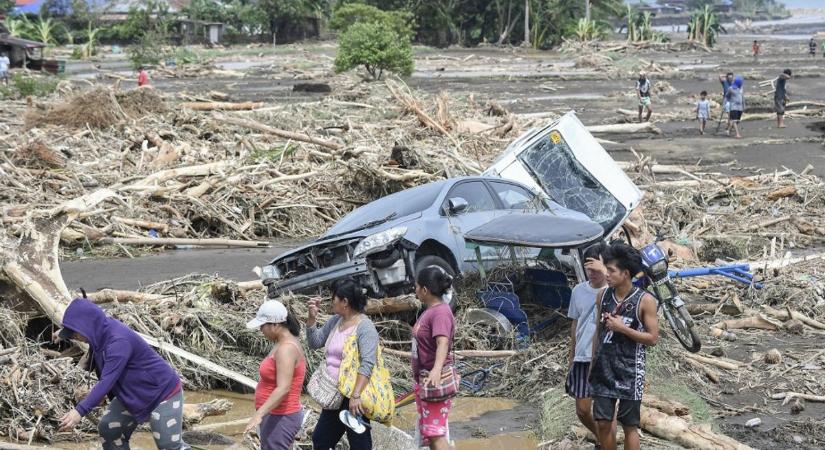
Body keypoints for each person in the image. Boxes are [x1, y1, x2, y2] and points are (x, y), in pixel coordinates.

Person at [56, 298, 191, 450]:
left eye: (75, 334)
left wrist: (79, 412)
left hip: (163, 393)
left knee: (169, 446)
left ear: (87, 327)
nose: (75, 338)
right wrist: (63, 332)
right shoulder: (99, 331)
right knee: (110, 429)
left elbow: (107, 381)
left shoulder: (118, 342)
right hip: (134, 393)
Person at [589, 243, 659, 450]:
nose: (606, 274)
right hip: (604, 367)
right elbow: (598, 331)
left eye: (611, 270)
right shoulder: (603, 295)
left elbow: (653, 338)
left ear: (625, 274)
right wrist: (593, 362)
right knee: (603, 423)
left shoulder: (645, 300)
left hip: (630, 369)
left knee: (629, 425)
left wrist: (623, 328)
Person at [307, 278, 380, 450]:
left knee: (359, 444)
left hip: (353, 396)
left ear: (345, 302)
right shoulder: (335, 321)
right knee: (321, 440)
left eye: (334, 298)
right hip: (335, 394)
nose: (332, 302)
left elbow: (367, 364)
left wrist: (355, 395)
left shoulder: (365, 328)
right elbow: (315, 342)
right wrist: (311, 319)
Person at [245, 300, 306, 450]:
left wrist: (259, 414)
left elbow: (283, 388)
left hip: (281, 416)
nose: (260, 329)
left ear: (275, 324)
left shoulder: (287, 349)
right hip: (275, 415)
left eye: (262, 325)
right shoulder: (282, 343)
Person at [566, 243, 609, 449]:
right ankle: (602, 438)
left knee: (605, 411)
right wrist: (571, 356)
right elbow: (575, 325)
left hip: (605, 359)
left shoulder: (613, 291)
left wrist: (605, 270)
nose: (591, 273)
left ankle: (606, 443)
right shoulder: (578, 291)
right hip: (582, 357)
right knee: (582, 410)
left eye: (595, 268)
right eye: (588, 269)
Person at [412, 266, 457, 450]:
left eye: (416, 287)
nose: (414, 291)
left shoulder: (440, 312)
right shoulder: (429, 311)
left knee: (435, 433)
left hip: (435, 380)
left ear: (425, 289)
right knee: (430, 434)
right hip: (426, 379)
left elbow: (443, 343)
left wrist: (437, 370)